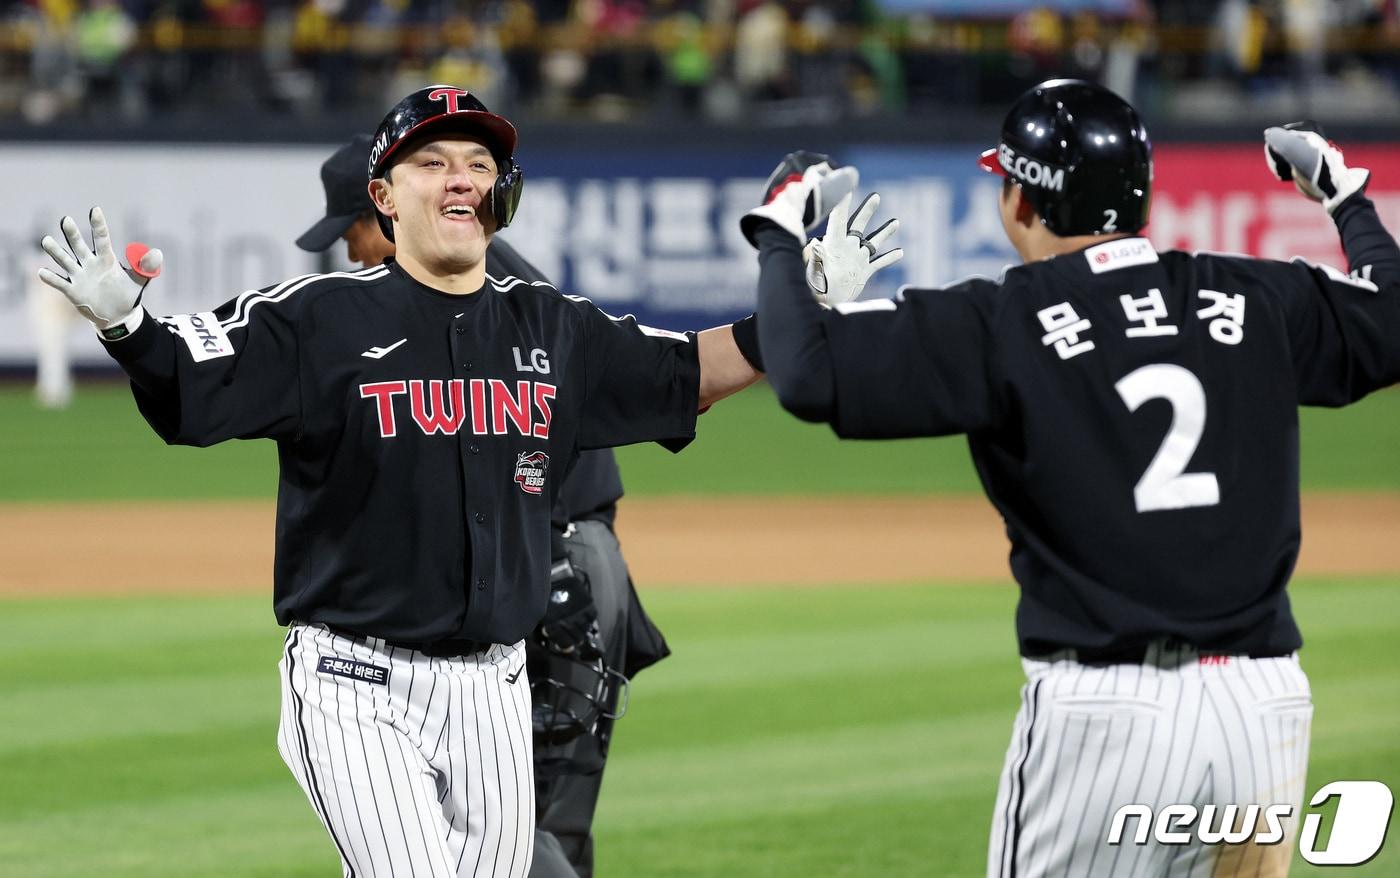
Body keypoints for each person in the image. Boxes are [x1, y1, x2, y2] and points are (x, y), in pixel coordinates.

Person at [37, 85, 784, 877]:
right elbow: (191, 387)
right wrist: (130, 330)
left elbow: (689, 370)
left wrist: (798, 319)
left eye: (478, 163)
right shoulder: (317, 319)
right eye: (431, 162)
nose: (460, 177)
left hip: (495, 689)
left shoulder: (554, 327)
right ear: (385, 197)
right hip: (355, 685)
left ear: (504, 193)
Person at [749, 80, 1400, 877]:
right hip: (1261, 708)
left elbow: (806, 373)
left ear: (1021, 200)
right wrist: (1345, 198)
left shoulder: (1001, 321)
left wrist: (780, 233)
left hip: (1106, 717)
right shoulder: (1253, 295)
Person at [294, 133, 674, 878]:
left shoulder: (466, 283)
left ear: (388, 203)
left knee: (522, 837)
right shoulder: (457, 281)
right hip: (554, 558)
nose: (349, 252)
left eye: (351, 231)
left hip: (556, 563)